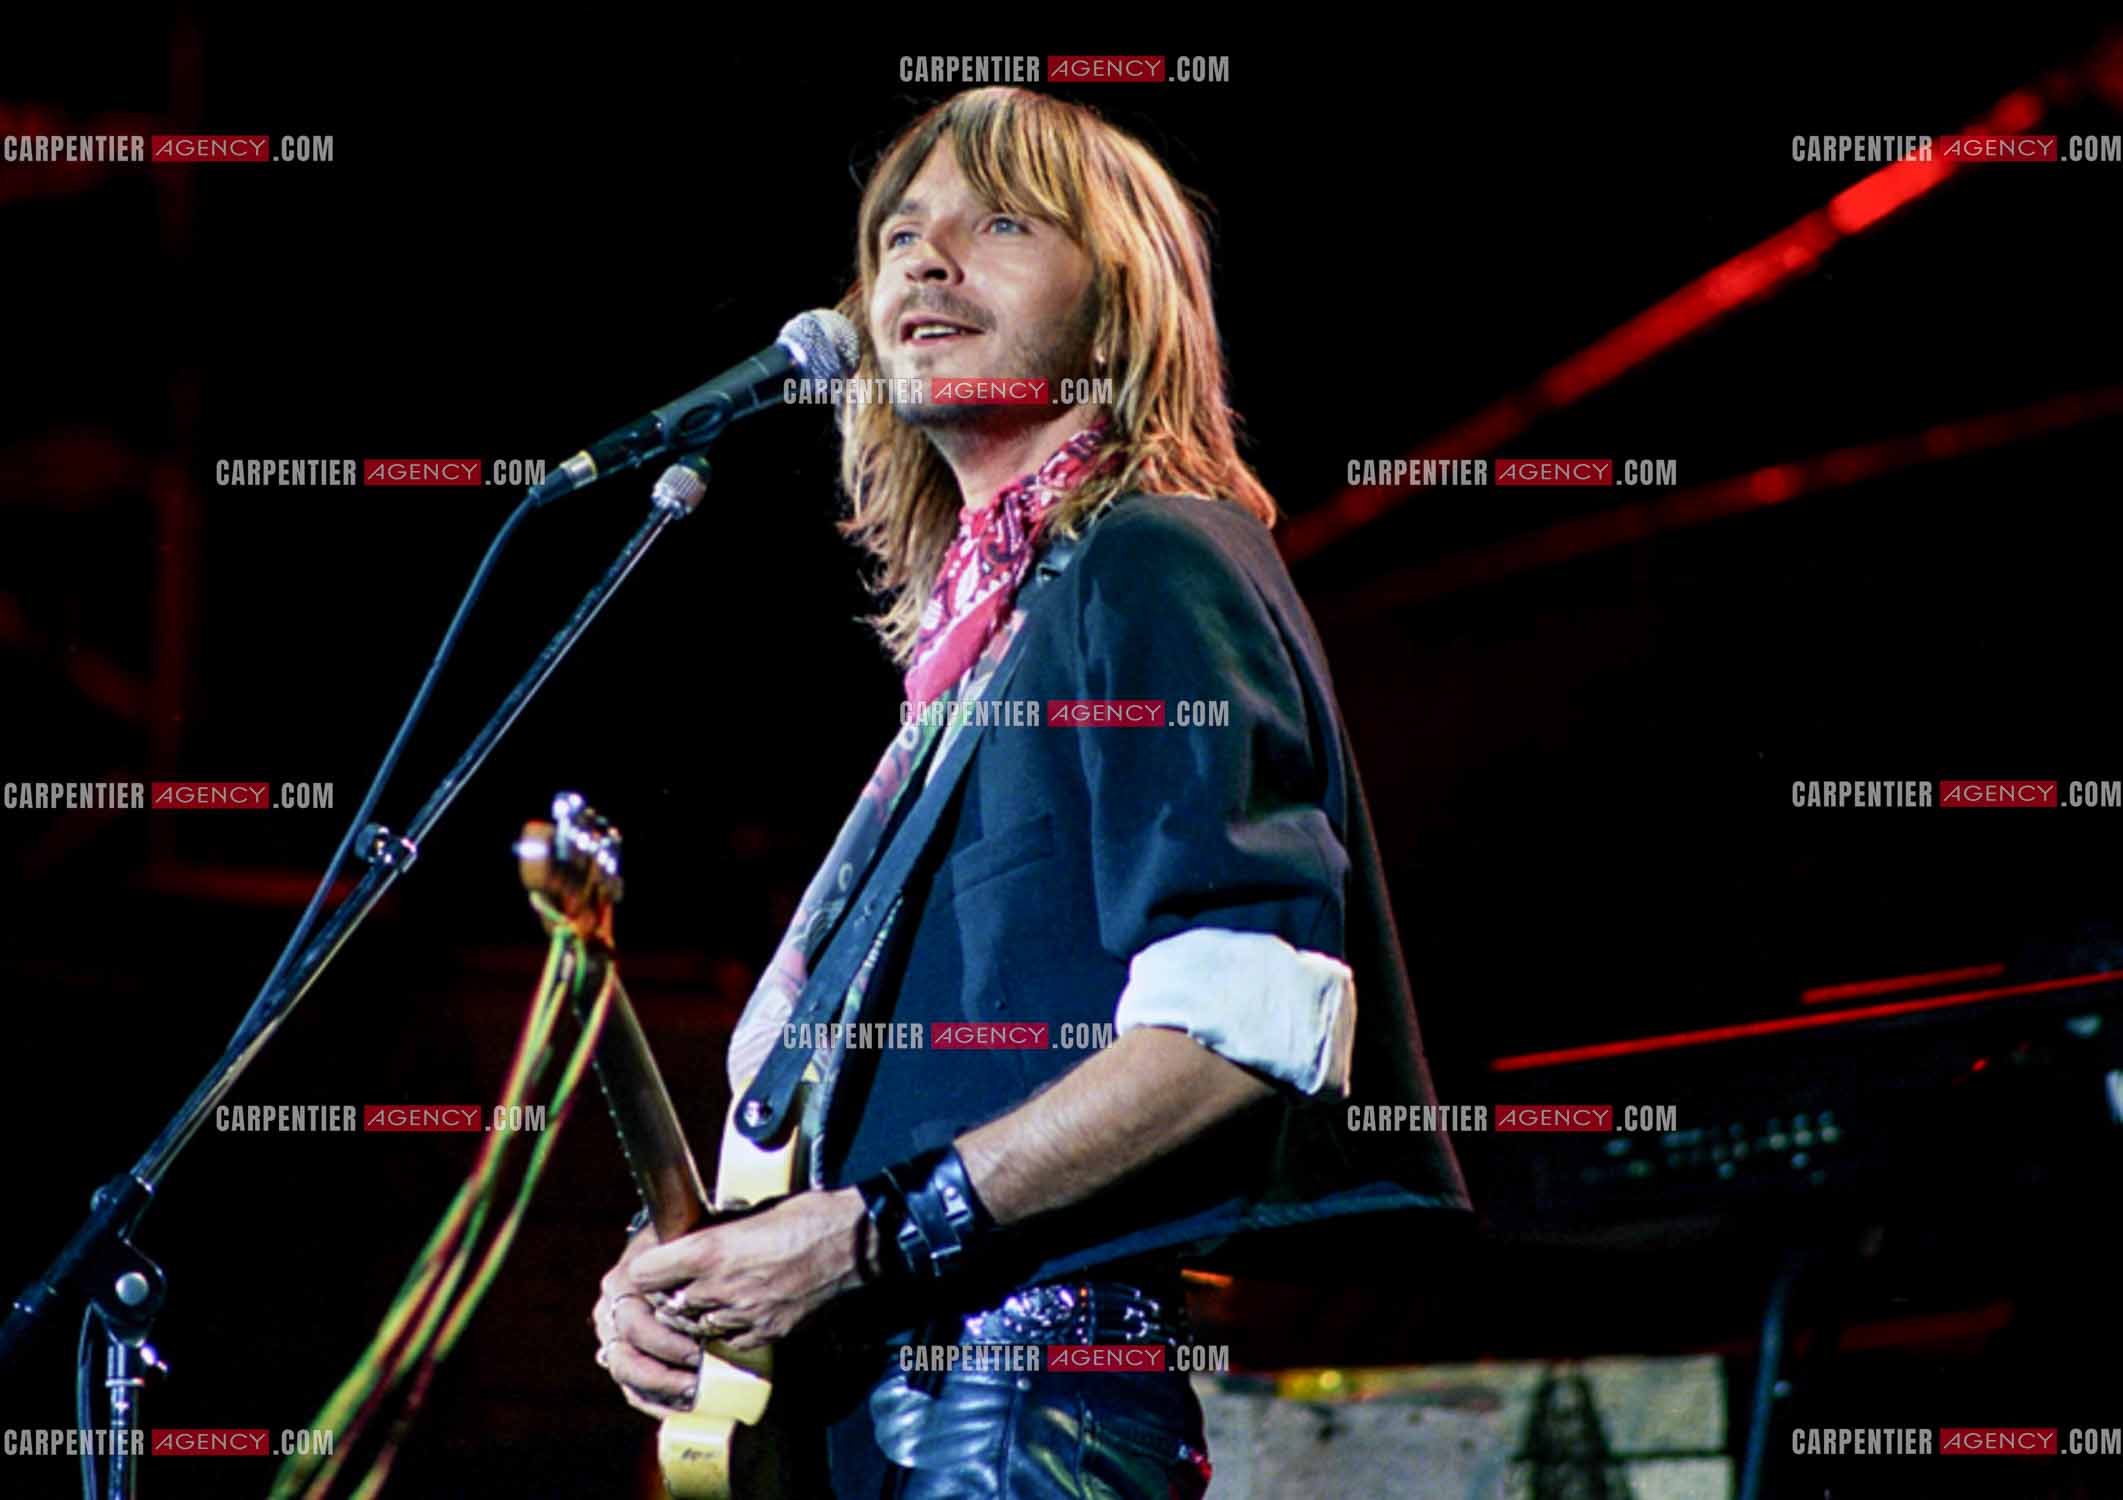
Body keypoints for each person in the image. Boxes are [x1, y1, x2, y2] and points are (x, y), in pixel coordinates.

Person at [589, 85, 1470, 1499]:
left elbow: (1246, 1021)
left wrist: (868, 1239)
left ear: (1117, 304)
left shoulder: (1157, 560)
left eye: (998, 222)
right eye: (897, 239)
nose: (923, 264)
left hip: (1018, 1418)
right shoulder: (975, 659)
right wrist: (690, 1277)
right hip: (875, 1417)